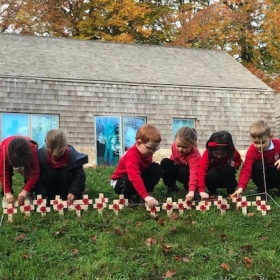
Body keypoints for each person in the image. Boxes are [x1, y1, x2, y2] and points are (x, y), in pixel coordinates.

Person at [110, 124, 162, 209]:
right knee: (129, 179)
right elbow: (134, 177)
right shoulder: (132, 156)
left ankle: (144, 193)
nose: (152, 151)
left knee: (156, 168)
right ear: (139, 143)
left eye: (155, 148)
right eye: (150, 148)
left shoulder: (146, 152)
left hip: (137, 176)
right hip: (121, 182)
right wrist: (145, 197)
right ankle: (127, 196)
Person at [35, 129, 88, 204]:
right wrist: (42, 196)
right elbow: (37, 179)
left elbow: (79, 177)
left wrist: (74, 191)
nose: (56, 155)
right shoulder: (40, 157)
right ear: (47, 147)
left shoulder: (72, 156)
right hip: (49, 191)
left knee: (65, 173)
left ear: (65, 146)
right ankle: (49, 198)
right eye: (53, 152)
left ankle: (67, 197)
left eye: (60, 152)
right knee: (50, 173)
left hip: (66, 191)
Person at [231, 120, 280, 198]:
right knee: (259, 165)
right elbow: (246, 169)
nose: (259, 146)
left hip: (276, 176)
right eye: (255, 142)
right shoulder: (252, 150)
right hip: (261, 178)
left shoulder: (278, 144)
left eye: (262, 142)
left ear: (270, 137)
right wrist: (241, 187)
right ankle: (262, 190)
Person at [160, 127, 208, 201]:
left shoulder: (194, 156)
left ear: (193, 145)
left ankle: (191, 190)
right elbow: (174, 159)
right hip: (179, 170)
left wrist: (191, 190)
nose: (180, 149)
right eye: (178, 146)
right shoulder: (174, 146)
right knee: (165, 162)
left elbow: (194, 173)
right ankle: (171, 187)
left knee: (183, 170)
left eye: (184, 147)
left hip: (189, 175)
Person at [198, 131, 242, 199]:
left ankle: (231, 192)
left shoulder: (233, 153)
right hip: (212, 179)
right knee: (212, 172)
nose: (219, 156)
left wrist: (235, 165)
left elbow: (239, 161)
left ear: (228, 150)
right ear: (211, 150)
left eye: (222, 154)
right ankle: (212, 192)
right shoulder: (207, 154)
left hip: (226, 178)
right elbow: (201, 171)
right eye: (216, 154)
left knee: (228, 168)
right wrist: (201, 190)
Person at [0, 136, 39, 206]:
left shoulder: (32, 150)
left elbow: (35, 173)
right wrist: (7, 192)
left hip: (27, 154)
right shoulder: (3, 153)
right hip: (5, 150)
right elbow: (4, 174)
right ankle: (6, 196)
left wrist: (25, 191)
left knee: (29, 172)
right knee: (7, 173)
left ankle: (28, 194)